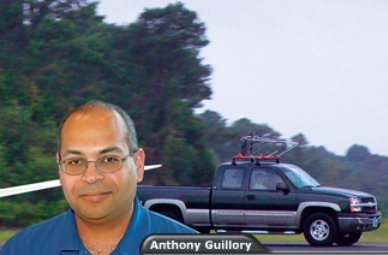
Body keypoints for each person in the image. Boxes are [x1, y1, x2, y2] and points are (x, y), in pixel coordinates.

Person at [1, 100, 197, 255]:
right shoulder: (21, 249)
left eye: (109, 159)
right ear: (60, 168)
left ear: (138, 164)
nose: (92, 176)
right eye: (76, 162)